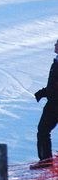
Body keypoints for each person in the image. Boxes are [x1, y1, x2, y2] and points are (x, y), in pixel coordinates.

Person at [30, 39, 58, 170]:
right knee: (43, 130)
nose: (55, 46)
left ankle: (45, 161)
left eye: (57, 44)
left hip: (54, 105)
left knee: (43, 130)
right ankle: (46, 160)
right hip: (53, 103)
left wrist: (49, 93)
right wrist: (44, 92)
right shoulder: (56, 62)